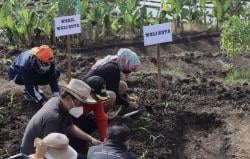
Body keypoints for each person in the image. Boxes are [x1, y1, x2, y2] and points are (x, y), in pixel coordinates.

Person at [21, 79, 101, 156]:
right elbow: (52, 151)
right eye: (80, 104)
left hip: (48, 147)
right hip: (36, 154)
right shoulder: (53, 119)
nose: (81, 107)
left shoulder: (57, 102)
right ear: (68, 99)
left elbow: (70, 127)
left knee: (81, 144)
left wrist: (91, 139)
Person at [69, 76, 110, 153]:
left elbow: (101, 118)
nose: (97, 100)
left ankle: (82, 138)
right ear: (89, 92)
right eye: (96, 97)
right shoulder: (73, 100)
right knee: (78, 147)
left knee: (93, 119)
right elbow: (68, 125)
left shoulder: (96, 100)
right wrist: (89, 139)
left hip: (80, 119)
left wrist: (104, 139)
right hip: (68, 123)